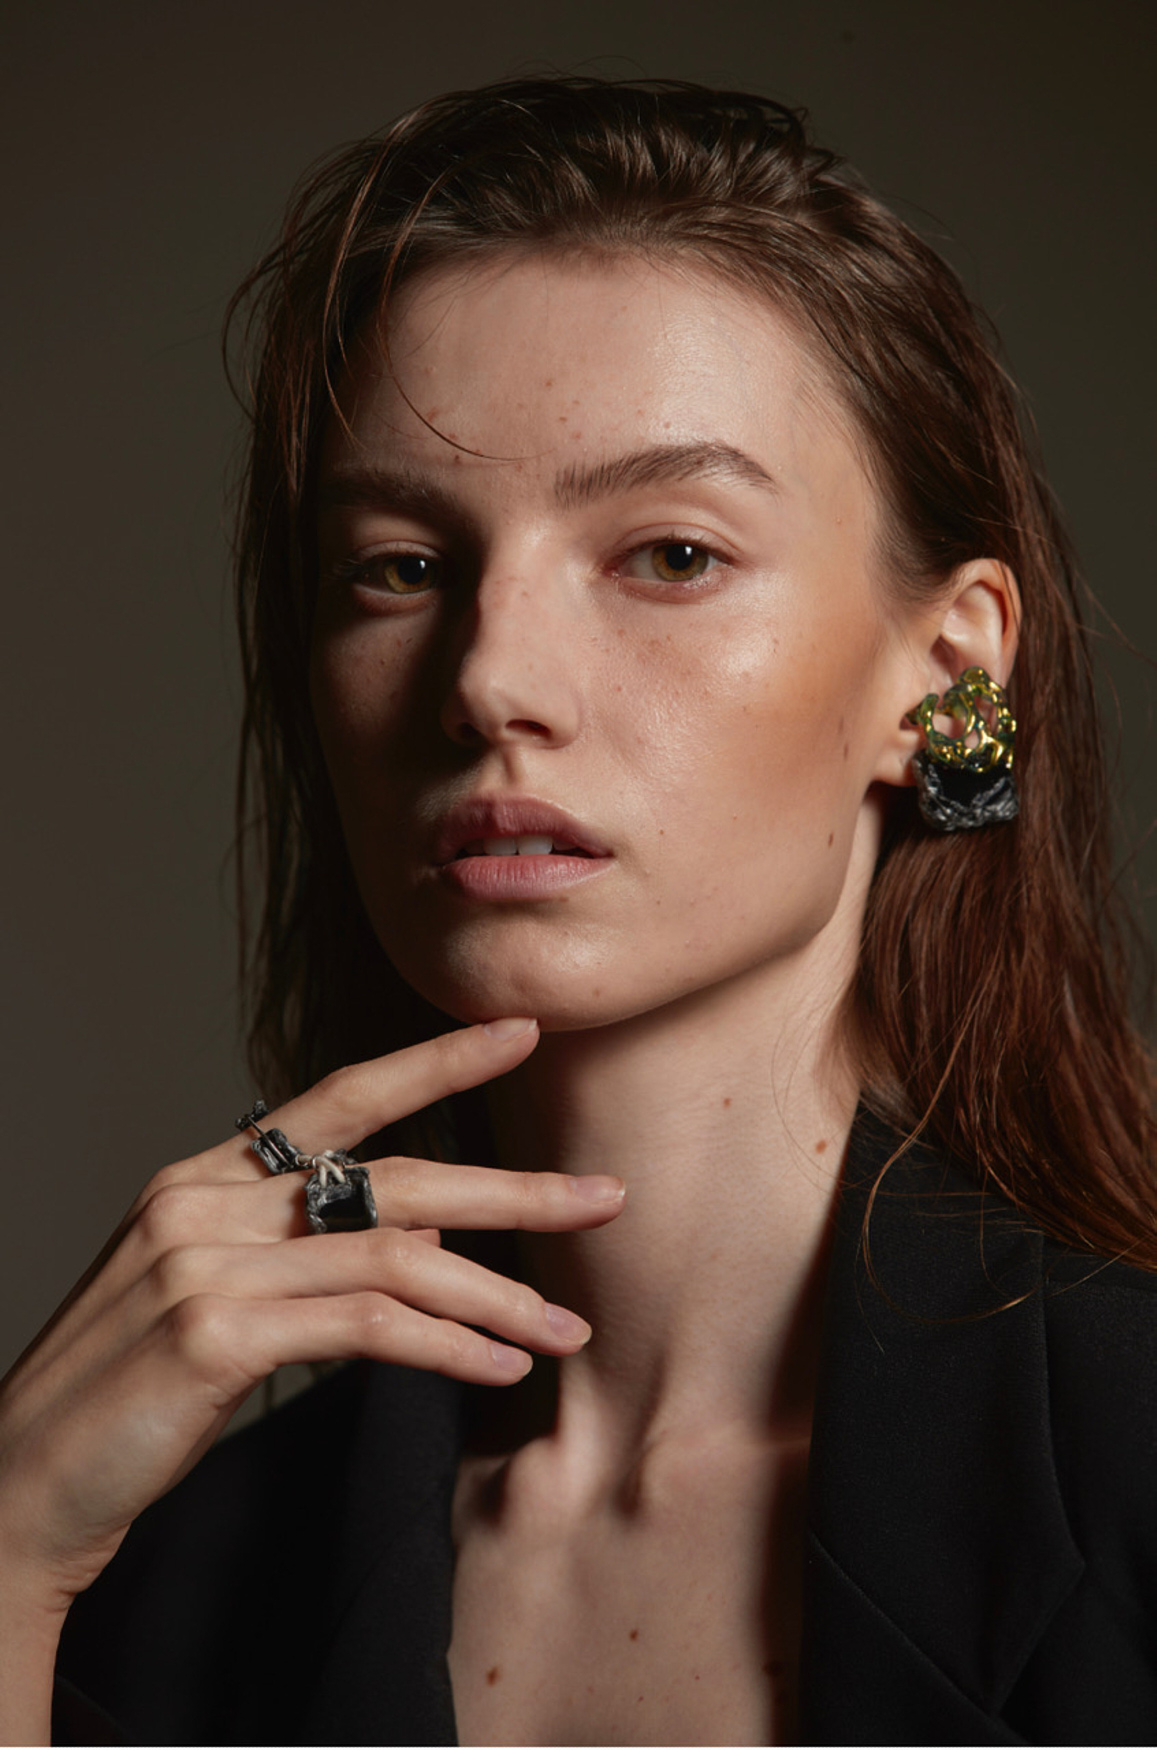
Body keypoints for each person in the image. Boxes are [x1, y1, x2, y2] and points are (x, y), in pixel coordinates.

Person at [1, 75, 1154, 1748]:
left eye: (669, 554)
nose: (489, 678)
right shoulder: (151, 1585)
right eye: (400, 567)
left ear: (947, 675)